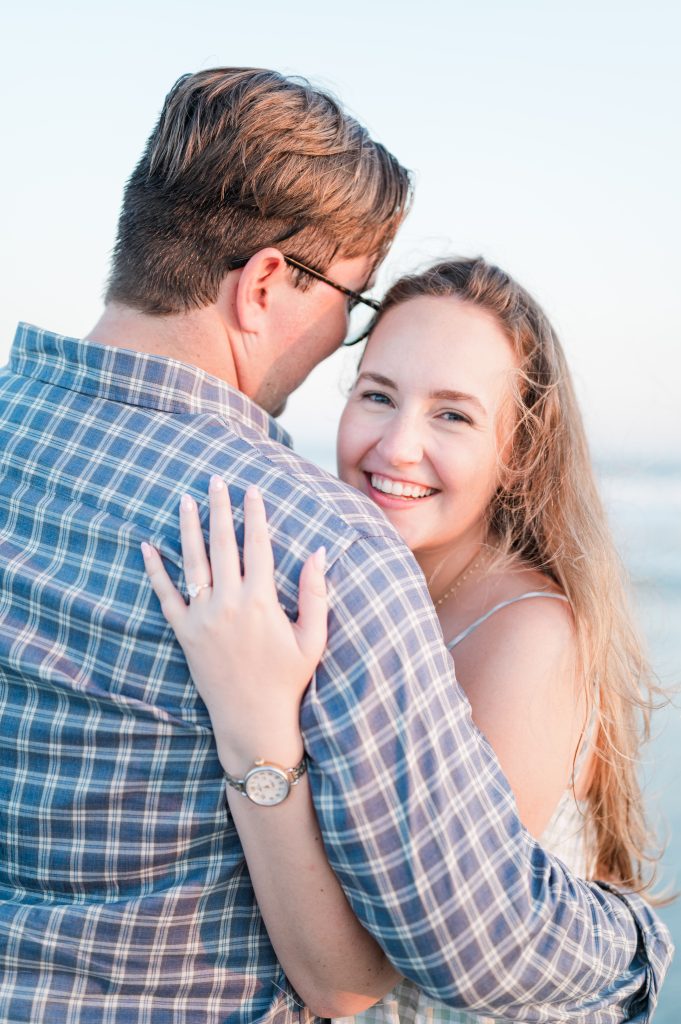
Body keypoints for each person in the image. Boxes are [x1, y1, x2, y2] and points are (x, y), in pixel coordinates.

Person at [0, 63, 671, 1021]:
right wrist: (634, 937)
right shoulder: (317, 550)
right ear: (267, 283)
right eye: (358, 335)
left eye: (453, 414)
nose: (396, 442)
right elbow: (465, 942)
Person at [140, 259, 674, 1020]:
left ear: (518, 450)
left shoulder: (529, 637)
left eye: (451, 415)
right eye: (378, 396)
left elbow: (349, 982)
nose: (394, 447)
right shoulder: (356, 588)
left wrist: (253, 730)